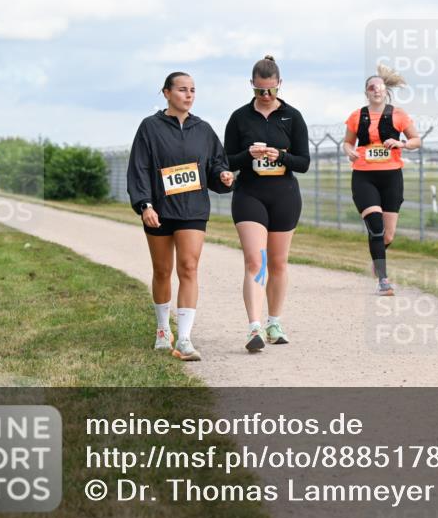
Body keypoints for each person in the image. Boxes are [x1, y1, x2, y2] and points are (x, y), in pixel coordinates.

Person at [128, 71, 235, 361]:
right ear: (166, 93)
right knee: (162, 270)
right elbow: (138, 168)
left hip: (193, 209)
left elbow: (214, 166)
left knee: (188, 267)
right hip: (160, 210)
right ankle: (163, 330)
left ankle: (185, 338)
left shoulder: (204, 129)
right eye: (182, 90)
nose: (188, 95)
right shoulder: (150, 127)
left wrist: (222, 176)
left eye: (192, 90)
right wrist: (145, 205)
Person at [223, 55, 310, 352]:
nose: (265, 96)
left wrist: (281, 156)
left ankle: (275, 321)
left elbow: (304, 163)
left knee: (277, 263)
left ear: (279, 85)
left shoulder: (293, 117)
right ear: (251, 86)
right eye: (260, 91)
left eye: (271, 90)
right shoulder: (239, 117)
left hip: (284, 194)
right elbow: (226, 161)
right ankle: (254, 327)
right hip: (250, 194)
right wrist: (248, 154)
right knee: (254, 261)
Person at [342, 65, 422, 295]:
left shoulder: (398, 115)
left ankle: (377, 259)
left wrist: (402, 144)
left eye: (380, 87)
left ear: (386, 91)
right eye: (371, 87)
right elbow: (348, 142)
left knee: (388, 234)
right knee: (375, 226)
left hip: (391, 177)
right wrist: (349, 150)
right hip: (364, 176)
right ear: (366, 92)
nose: (376, 90)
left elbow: (416, 140)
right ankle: (383, 280)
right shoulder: (357, 116)